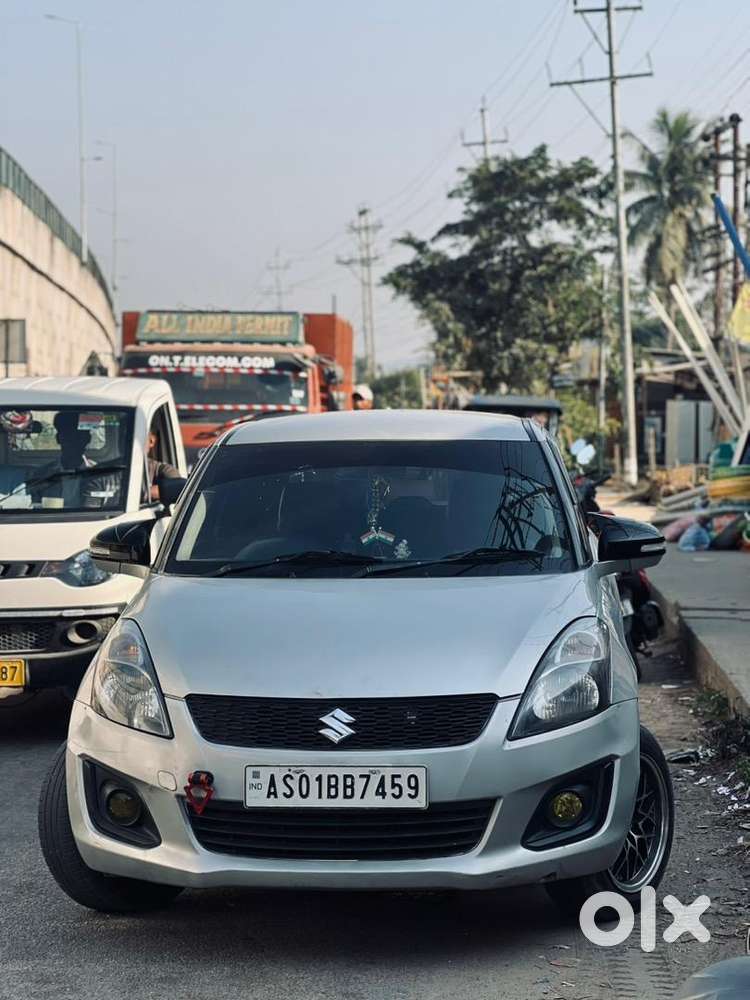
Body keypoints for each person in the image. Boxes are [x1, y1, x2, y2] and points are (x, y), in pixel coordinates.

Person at [45, 411, 123, 509]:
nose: (73, 441)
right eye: (68, 436)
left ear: (88, 438)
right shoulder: (42, 475)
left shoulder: (100, 476)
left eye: (79, 436)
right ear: (58, 438)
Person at [146, 428, 180, 501]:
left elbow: (176, 487)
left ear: (151, 441)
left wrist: (146, 493)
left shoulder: (162, 470)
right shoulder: (116, 467)